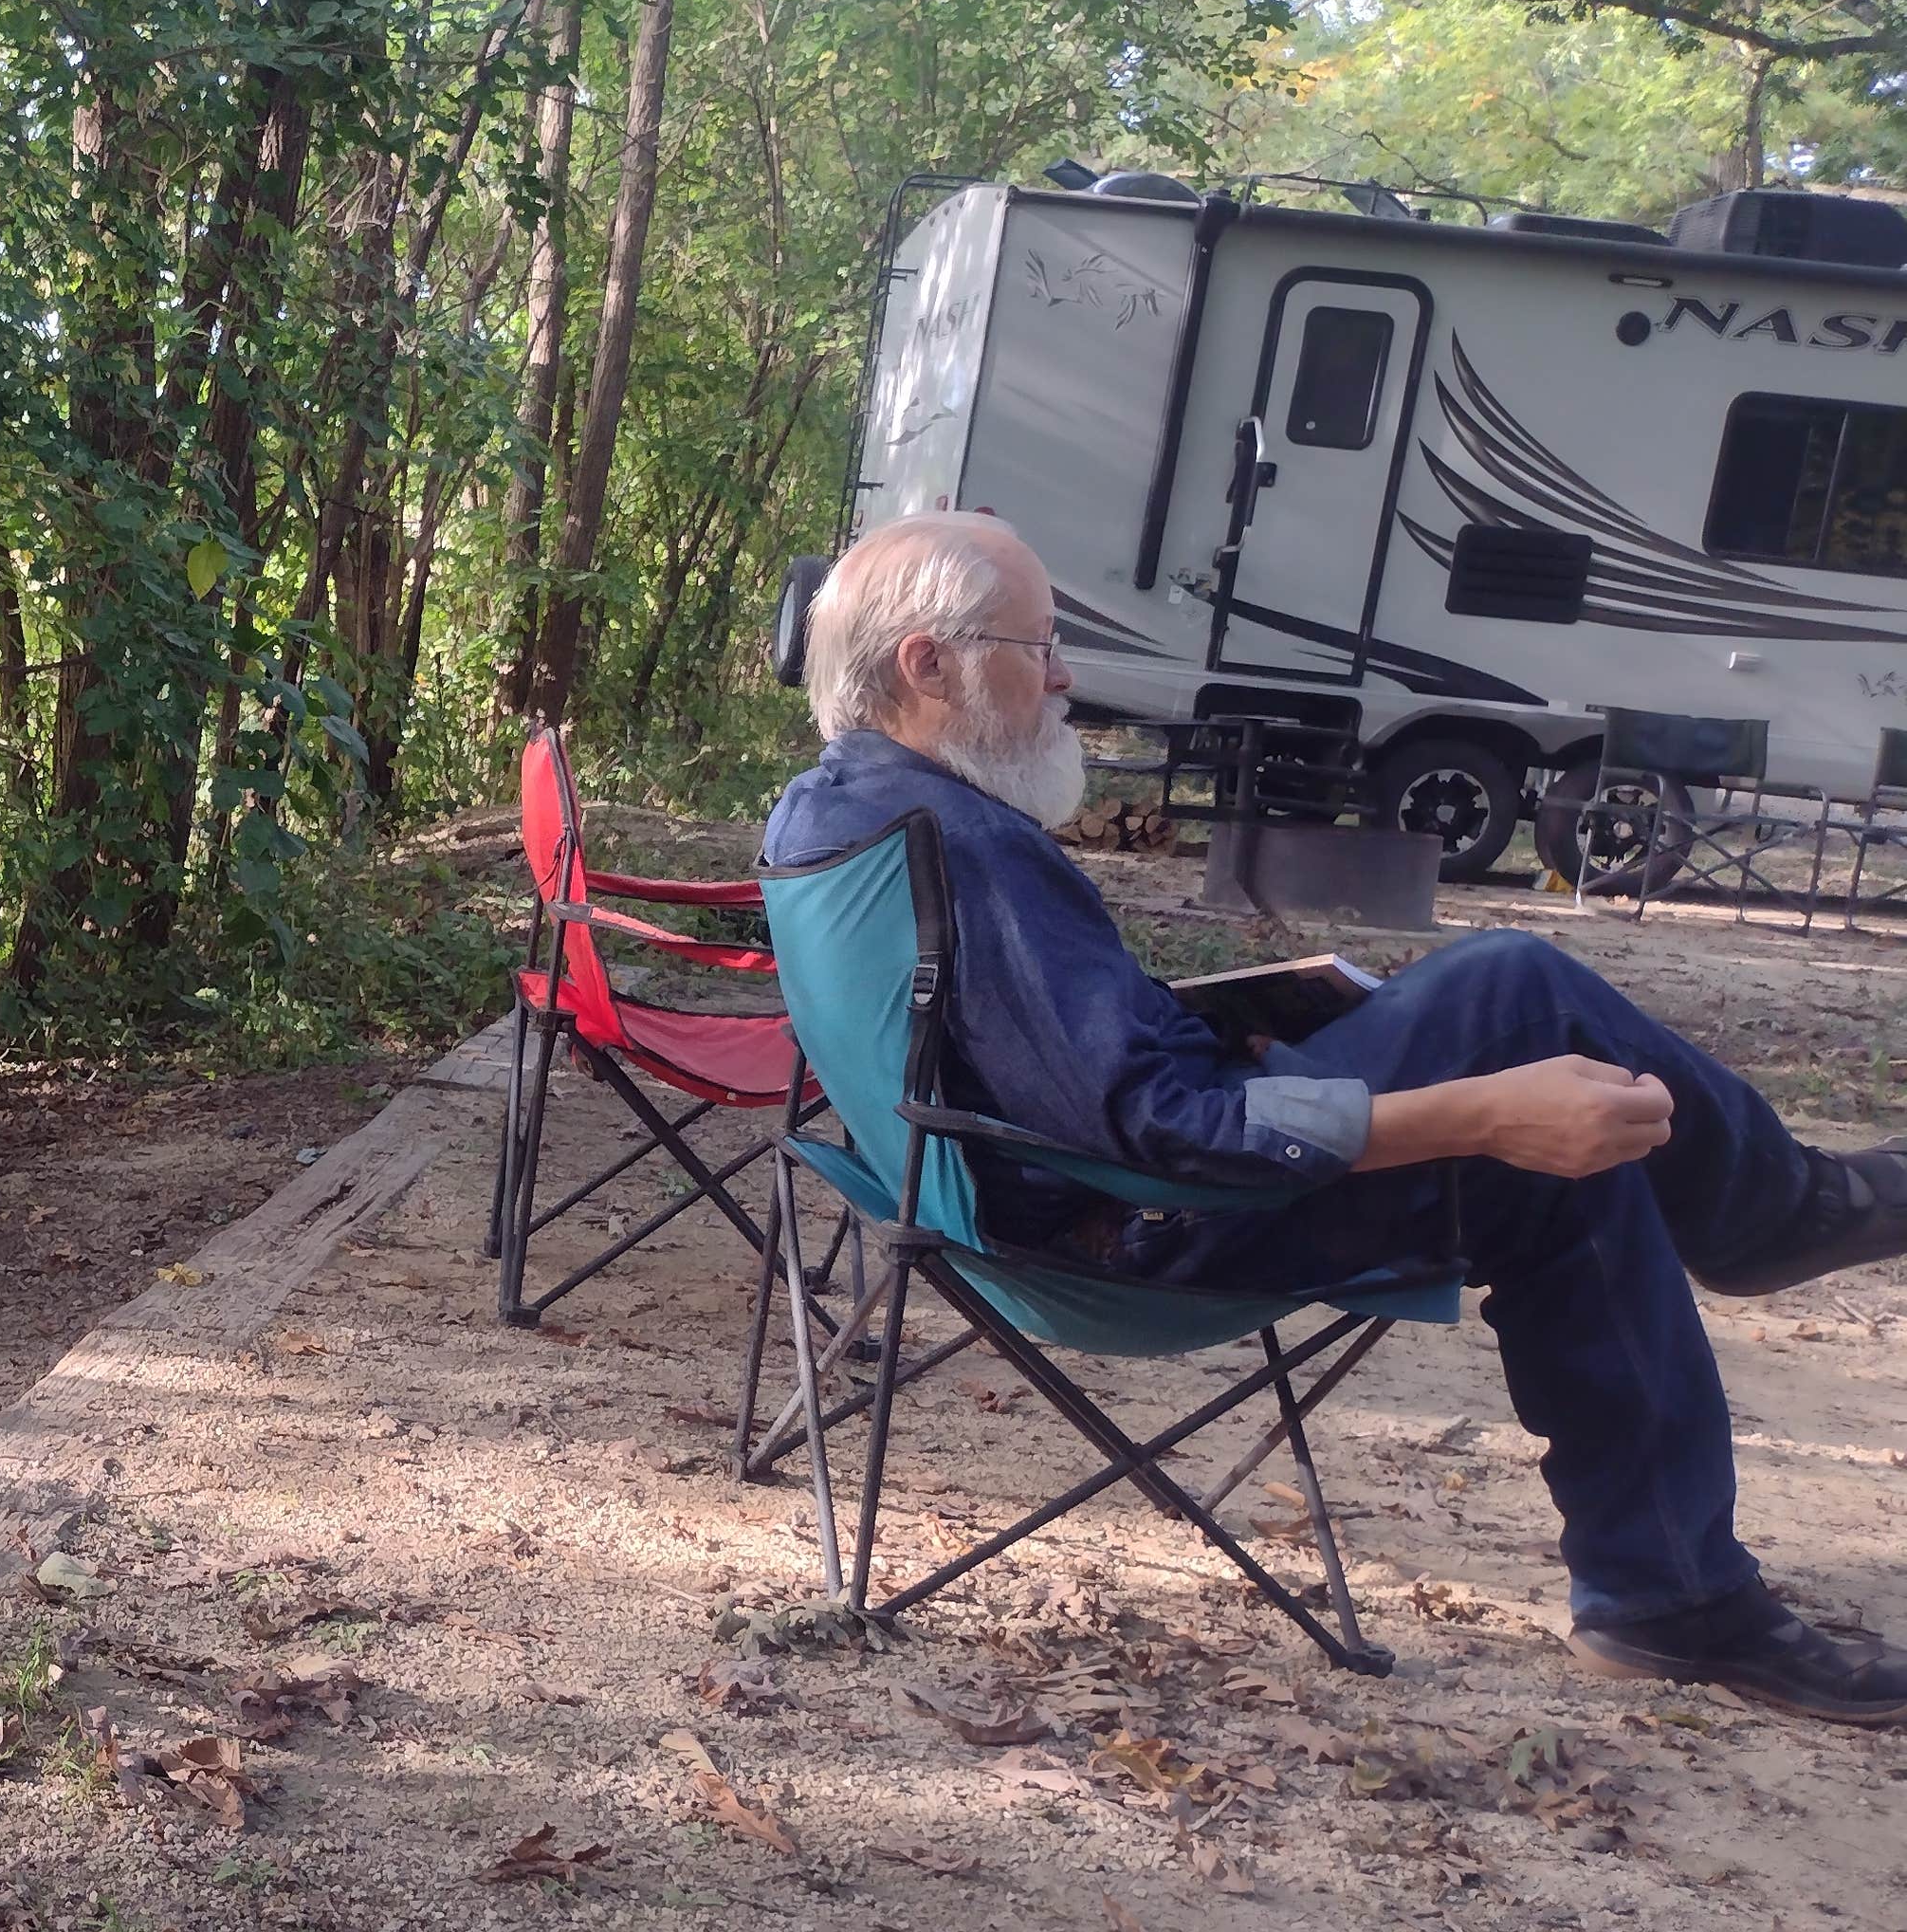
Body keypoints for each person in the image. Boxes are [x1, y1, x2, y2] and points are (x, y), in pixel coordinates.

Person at [767, 509, 1907, 1723]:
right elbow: (1156, 1124)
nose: (1064, 675)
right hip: (1141, 1232)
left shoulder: (832, 813)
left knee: (1572, 1160)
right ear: (926, 665)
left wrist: (1245, 1024)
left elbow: (1041, 1055)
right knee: (1511, 988)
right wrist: (1480, 1108)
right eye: (1037, 645)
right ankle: (1777, 1222)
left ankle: (1670, 1592)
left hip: (1014, 1206)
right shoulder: (961, 840)